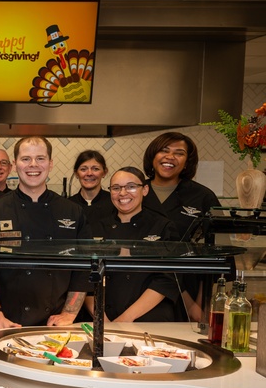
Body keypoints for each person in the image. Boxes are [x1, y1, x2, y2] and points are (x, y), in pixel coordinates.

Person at [0, 136, 90, 329]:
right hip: (7, 321)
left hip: (55, 322)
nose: (33, 165)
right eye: (26, 159)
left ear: (50, 163)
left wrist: (69, 314)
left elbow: (83, 268)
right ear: (15, 164)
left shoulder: (73, 212)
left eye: (40, 158)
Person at [141, 131, 219, 320]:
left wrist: (202, 306)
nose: (170, 157)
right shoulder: (134, 191)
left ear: (187, 162)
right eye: (164, 150)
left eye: (179, 153)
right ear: (153, 155)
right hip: (139, 288)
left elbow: (215, 256)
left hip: (187, 294)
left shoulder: (203, 196)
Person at [87, 166, 181, 323]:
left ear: (144, 190)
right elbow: (84, 277)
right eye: (116, 188)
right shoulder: (95, 227)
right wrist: (103, 320)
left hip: (149, 319)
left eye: (131, 187)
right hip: (103, 319)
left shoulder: (163, 226)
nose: (123, 193)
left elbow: (166, 280)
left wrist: (123, 321)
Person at [68, 150, 113, 221]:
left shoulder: (114, 202)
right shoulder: (68, 205)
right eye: (83, 169)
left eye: (95, 169)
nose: (89, 173)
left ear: (104, 172)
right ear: (76, 173)